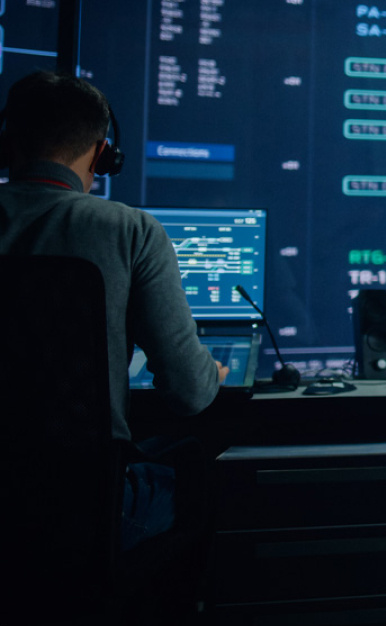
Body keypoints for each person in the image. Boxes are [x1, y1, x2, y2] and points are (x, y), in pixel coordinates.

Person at [0, 71, 225, 551]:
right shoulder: (130, 232)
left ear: (5, 143)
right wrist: (212, 373)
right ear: (103, 155)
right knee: (201, 478)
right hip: (83, 508)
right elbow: (190, 394)